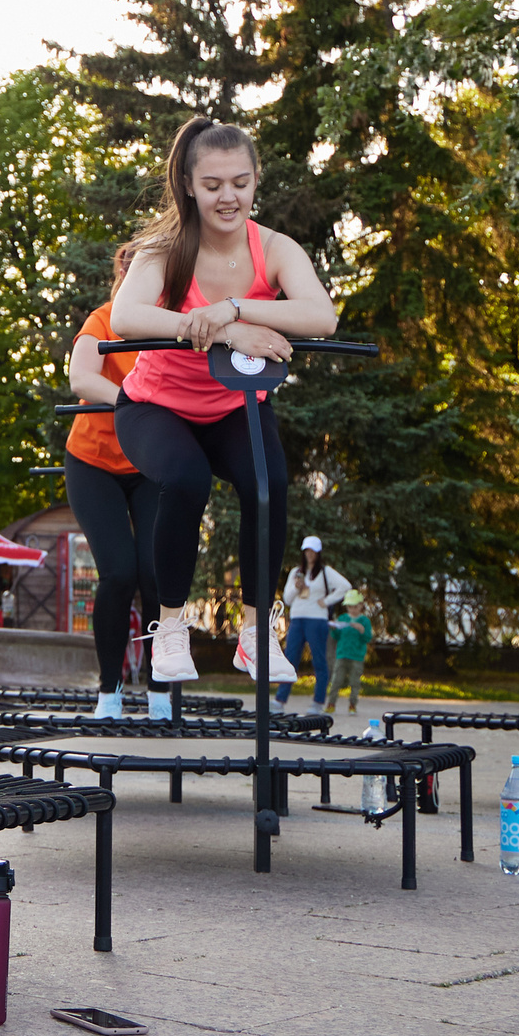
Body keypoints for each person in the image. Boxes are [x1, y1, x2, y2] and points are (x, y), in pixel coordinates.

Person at [107, 118, 338, 688]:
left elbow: (321, 316)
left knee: (269, 483)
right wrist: (223, 332)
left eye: (240, 182)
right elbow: (125, 317)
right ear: (189, 185)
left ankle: (256, 635)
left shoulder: (274, 248)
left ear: (257, 179)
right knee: (186, 480)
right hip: (156, 407)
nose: (228, 197)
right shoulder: (166, 248)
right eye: (212, 185)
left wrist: (235, 308)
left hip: (234, 408)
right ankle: (169, 628)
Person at [64, 246, 158, 719]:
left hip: (150, 464)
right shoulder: (103, 321)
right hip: (93, 461)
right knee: (120, 573)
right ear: (122, 274)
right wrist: (135, 401)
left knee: (157, 573)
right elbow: (82, 378)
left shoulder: (169, 327)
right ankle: (109, 691)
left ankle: (160, 691)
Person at [278, 536, 350, 714]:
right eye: (307, 551)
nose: (310, 554)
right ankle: (280, 700)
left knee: (319, 660)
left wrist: (326, 601)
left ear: (318, 553)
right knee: (290, 659)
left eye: (313, 551)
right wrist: (297, 587)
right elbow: (287, 598)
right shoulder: (295, 572)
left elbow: (345, 586)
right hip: (297, 618)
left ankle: (318, 702)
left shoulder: (325, 572)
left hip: (317, 619)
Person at [326, 588, 374, 715]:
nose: (352, 609)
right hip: (342, 654)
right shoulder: (343, 618)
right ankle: (331, 704)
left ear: (361, 606)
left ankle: (352, 705)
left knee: (354, 682)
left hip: (357, 656)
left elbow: (367, 638)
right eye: (349, 607)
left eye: (355, 606)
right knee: (336, 680)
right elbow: (336, 636)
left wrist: (362, 631)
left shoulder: (364, 621)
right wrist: (334, 629)